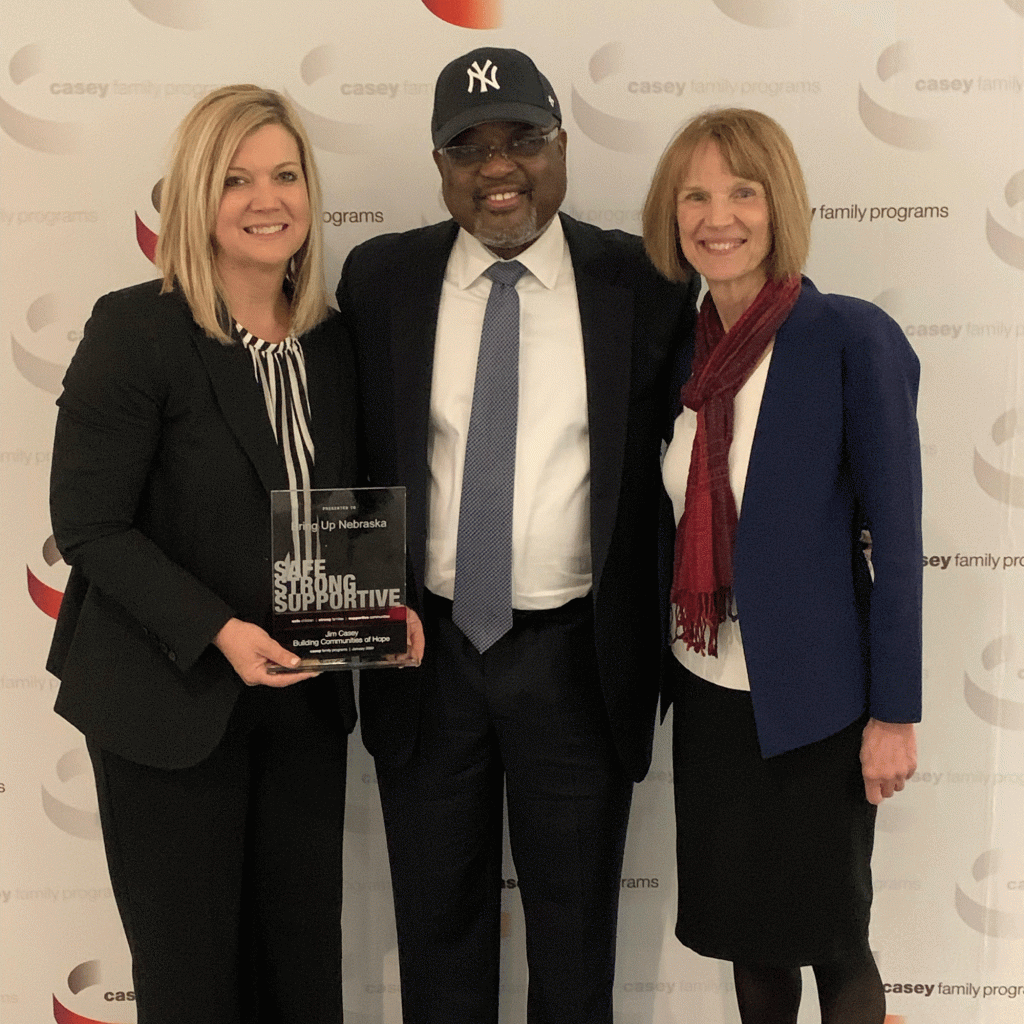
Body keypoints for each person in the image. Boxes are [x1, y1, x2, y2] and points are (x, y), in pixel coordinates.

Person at [336, 46, 698, 1024]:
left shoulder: (644, 284)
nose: (498, 166)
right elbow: (355, 461)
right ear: (440, 167)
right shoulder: (381, 282)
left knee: (576, 948)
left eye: (523, 140)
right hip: (427, 659)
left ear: (563, 146)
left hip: (577, 662)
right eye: (468, 148)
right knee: (437, 941)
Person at [46, 85, 422, 1024]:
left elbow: (340, 515)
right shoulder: (137, 329)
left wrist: (387, 610)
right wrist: (218, 629)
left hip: (300, 705)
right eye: (237, 178)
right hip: (166, 709)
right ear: (194, 199)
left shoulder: (336, 341)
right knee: (192, 985)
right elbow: (90, 525)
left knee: (301, 975)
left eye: (287, 174)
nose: (268, 198)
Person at [642, 107, 922, 1024]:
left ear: (779, 206)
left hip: (817, 710)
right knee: (749, 941)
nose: (717, 217)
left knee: (834, 939)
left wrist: (895, 715)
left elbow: (898, 541)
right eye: (695, 195)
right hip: (709, 696)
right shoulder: (681, 352)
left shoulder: (849, 339)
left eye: (742, 192)